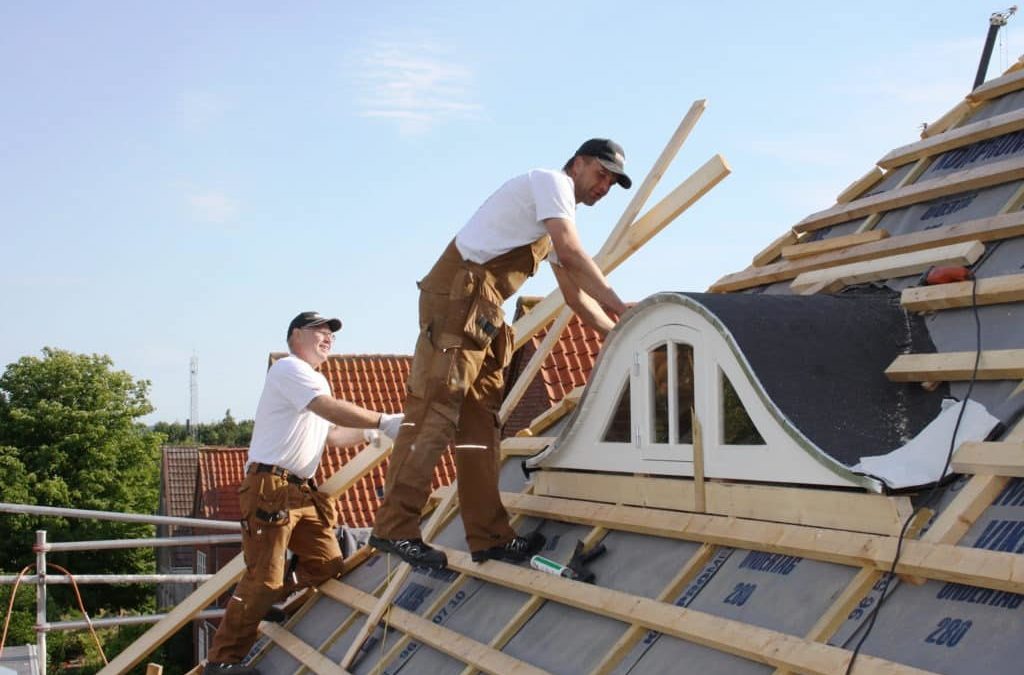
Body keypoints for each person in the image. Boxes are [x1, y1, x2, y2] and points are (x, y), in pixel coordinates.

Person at [370, 138, 631, 569]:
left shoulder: (552, 219)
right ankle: (395, 527)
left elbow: (572, 294)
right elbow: (572, 253)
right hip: (459, 301)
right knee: (435, 411)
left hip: (482, 312)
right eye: (601, 174)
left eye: (613, 182)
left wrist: (613, 328)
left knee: (480, 425)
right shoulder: (553, 184)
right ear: (579, 163)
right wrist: (620, 305)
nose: (604, 186)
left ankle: (490, 536)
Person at [203, 311, 404, 675]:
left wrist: (368, 435)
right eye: (320, 331)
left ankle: (272, 599)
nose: (328, 338)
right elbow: (324, 408)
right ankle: (222, 662)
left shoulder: (316, 381)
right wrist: (381, 419)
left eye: (332, 334)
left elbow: (331, 435)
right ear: (296, 335)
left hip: (300, 494)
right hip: (271, 489)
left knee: (327, 564)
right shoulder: (287, 369)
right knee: (261, 578)